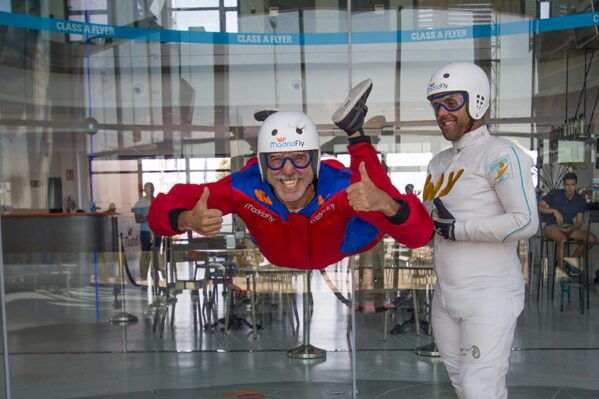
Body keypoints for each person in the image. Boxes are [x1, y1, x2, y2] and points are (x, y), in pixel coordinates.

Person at [149, 80, 433, 270]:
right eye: (275, 160)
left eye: (299, 158)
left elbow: (419, 235)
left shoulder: (341, 187)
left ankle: (355, 131)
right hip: (278, 249)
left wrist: (387, 204)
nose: (288, 170)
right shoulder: (245, 185)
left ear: (315, 161)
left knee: (372, 188)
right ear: (262, 164)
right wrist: (186, 219)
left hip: (346, 241)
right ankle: (284, 129)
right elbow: (157, 214)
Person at [424, 62, 538, 399]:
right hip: (445, 297)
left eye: (451, 102)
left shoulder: (501, 154)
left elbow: (525, 220)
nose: (442, 112)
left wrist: (459, 229)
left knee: (478, 389)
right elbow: (425, 221)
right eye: (436, 105)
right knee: (464, 386)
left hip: (490, 297)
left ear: (477, 101)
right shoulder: (438, 163)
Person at [538, 172, 595, 277]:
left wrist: (571, 228)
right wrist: (554, 211)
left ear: (576, 185)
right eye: (567, 185)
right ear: (563, 185)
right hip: (551, 227)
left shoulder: (580, 200)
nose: (570, 188)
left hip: (568, 228)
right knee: (562, 239)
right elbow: (540, 207)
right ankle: (562, 273)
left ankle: (569, 264)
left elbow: (578, 222)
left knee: (591, 239)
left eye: (572, 185)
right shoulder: (555, 194)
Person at [133, 182, 161, 280]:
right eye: (147, 188)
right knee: (145, 255)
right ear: (144, 190)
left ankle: (156, 277)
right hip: (145, 232)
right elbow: (137, 219)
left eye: (150, 188)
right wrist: (149, 217)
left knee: (156, 255)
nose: (149, 190)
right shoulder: (140, 203)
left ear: (153, 189)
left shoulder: (158, 201)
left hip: (157, 232)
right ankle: (144, 277)